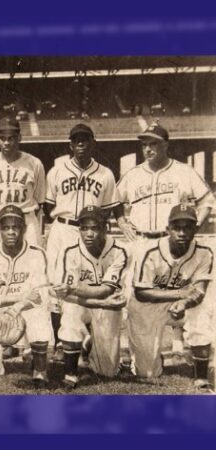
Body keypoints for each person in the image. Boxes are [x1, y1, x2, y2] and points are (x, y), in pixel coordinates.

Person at [115, 123, 216, 369]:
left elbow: (207, 201)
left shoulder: (184, 171)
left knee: (187, 294)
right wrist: (121, 221)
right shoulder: (134, 174)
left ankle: (186, 345)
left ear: (165, 145)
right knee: (134, 298)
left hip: (172, 241)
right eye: (145, 144)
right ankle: (136, 351)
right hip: (142, 241)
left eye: (154, 144)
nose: (148, 149)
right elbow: (114, 201)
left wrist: (196, 225)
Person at [44, 124, 119, 361]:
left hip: (89, 232)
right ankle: (60, 341)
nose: (81, 144)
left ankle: (87, 335)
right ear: (70, 144)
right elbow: (48, 206)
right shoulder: (56, 171)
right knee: (57, 284)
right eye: (76, 140)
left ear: (92, 143)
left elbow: (108, 209)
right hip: (62, 228)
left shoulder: (105, 174)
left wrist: (93, 231)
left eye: (85, 140)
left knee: (86, 281)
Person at [128, 204, 213, 391]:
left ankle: (201, 375)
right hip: (149, 305)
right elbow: (141, 293)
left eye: (187, 227)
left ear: (196, 229)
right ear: (168, 230)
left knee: (203, 310)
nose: (182, 233)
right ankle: (150, 355)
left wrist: (183, 302)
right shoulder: (149, 251)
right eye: (176, 227)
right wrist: (179, 294)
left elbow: (199, 292)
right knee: (147, 373)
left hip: (183, 305)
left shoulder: (204, 253)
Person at [0, 206, 52, 386]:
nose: (11, 232)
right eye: (6, 227)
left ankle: (39, 368)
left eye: (16, 227)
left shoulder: (37, 254)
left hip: (25, 308)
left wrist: (16, 307)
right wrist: (16, 302)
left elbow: (39, 295)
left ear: (24, 228)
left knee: (39, 311)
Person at [51, 206, 128, 389]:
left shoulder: (119, 251)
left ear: (106, 228)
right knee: (70, 315)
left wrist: (76, 289)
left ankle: (88, 344)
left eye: (95, 228)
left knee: (106, 371)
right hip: (84, 304)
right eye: (84, 228)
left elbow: (106, 291)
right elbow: (65, 295)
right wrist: (85, 295)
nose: (89, 233)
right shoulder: (69, 250)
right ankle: (71, 374)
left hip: (108, 305)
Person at [0, 118, 46, 248]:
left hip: (26, 219)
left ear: (19, 138)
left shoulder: (34, 164)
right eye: (2, 138)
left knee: (31, 262)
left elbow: (38, 198)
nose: (6, 142)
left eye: (11, 138)